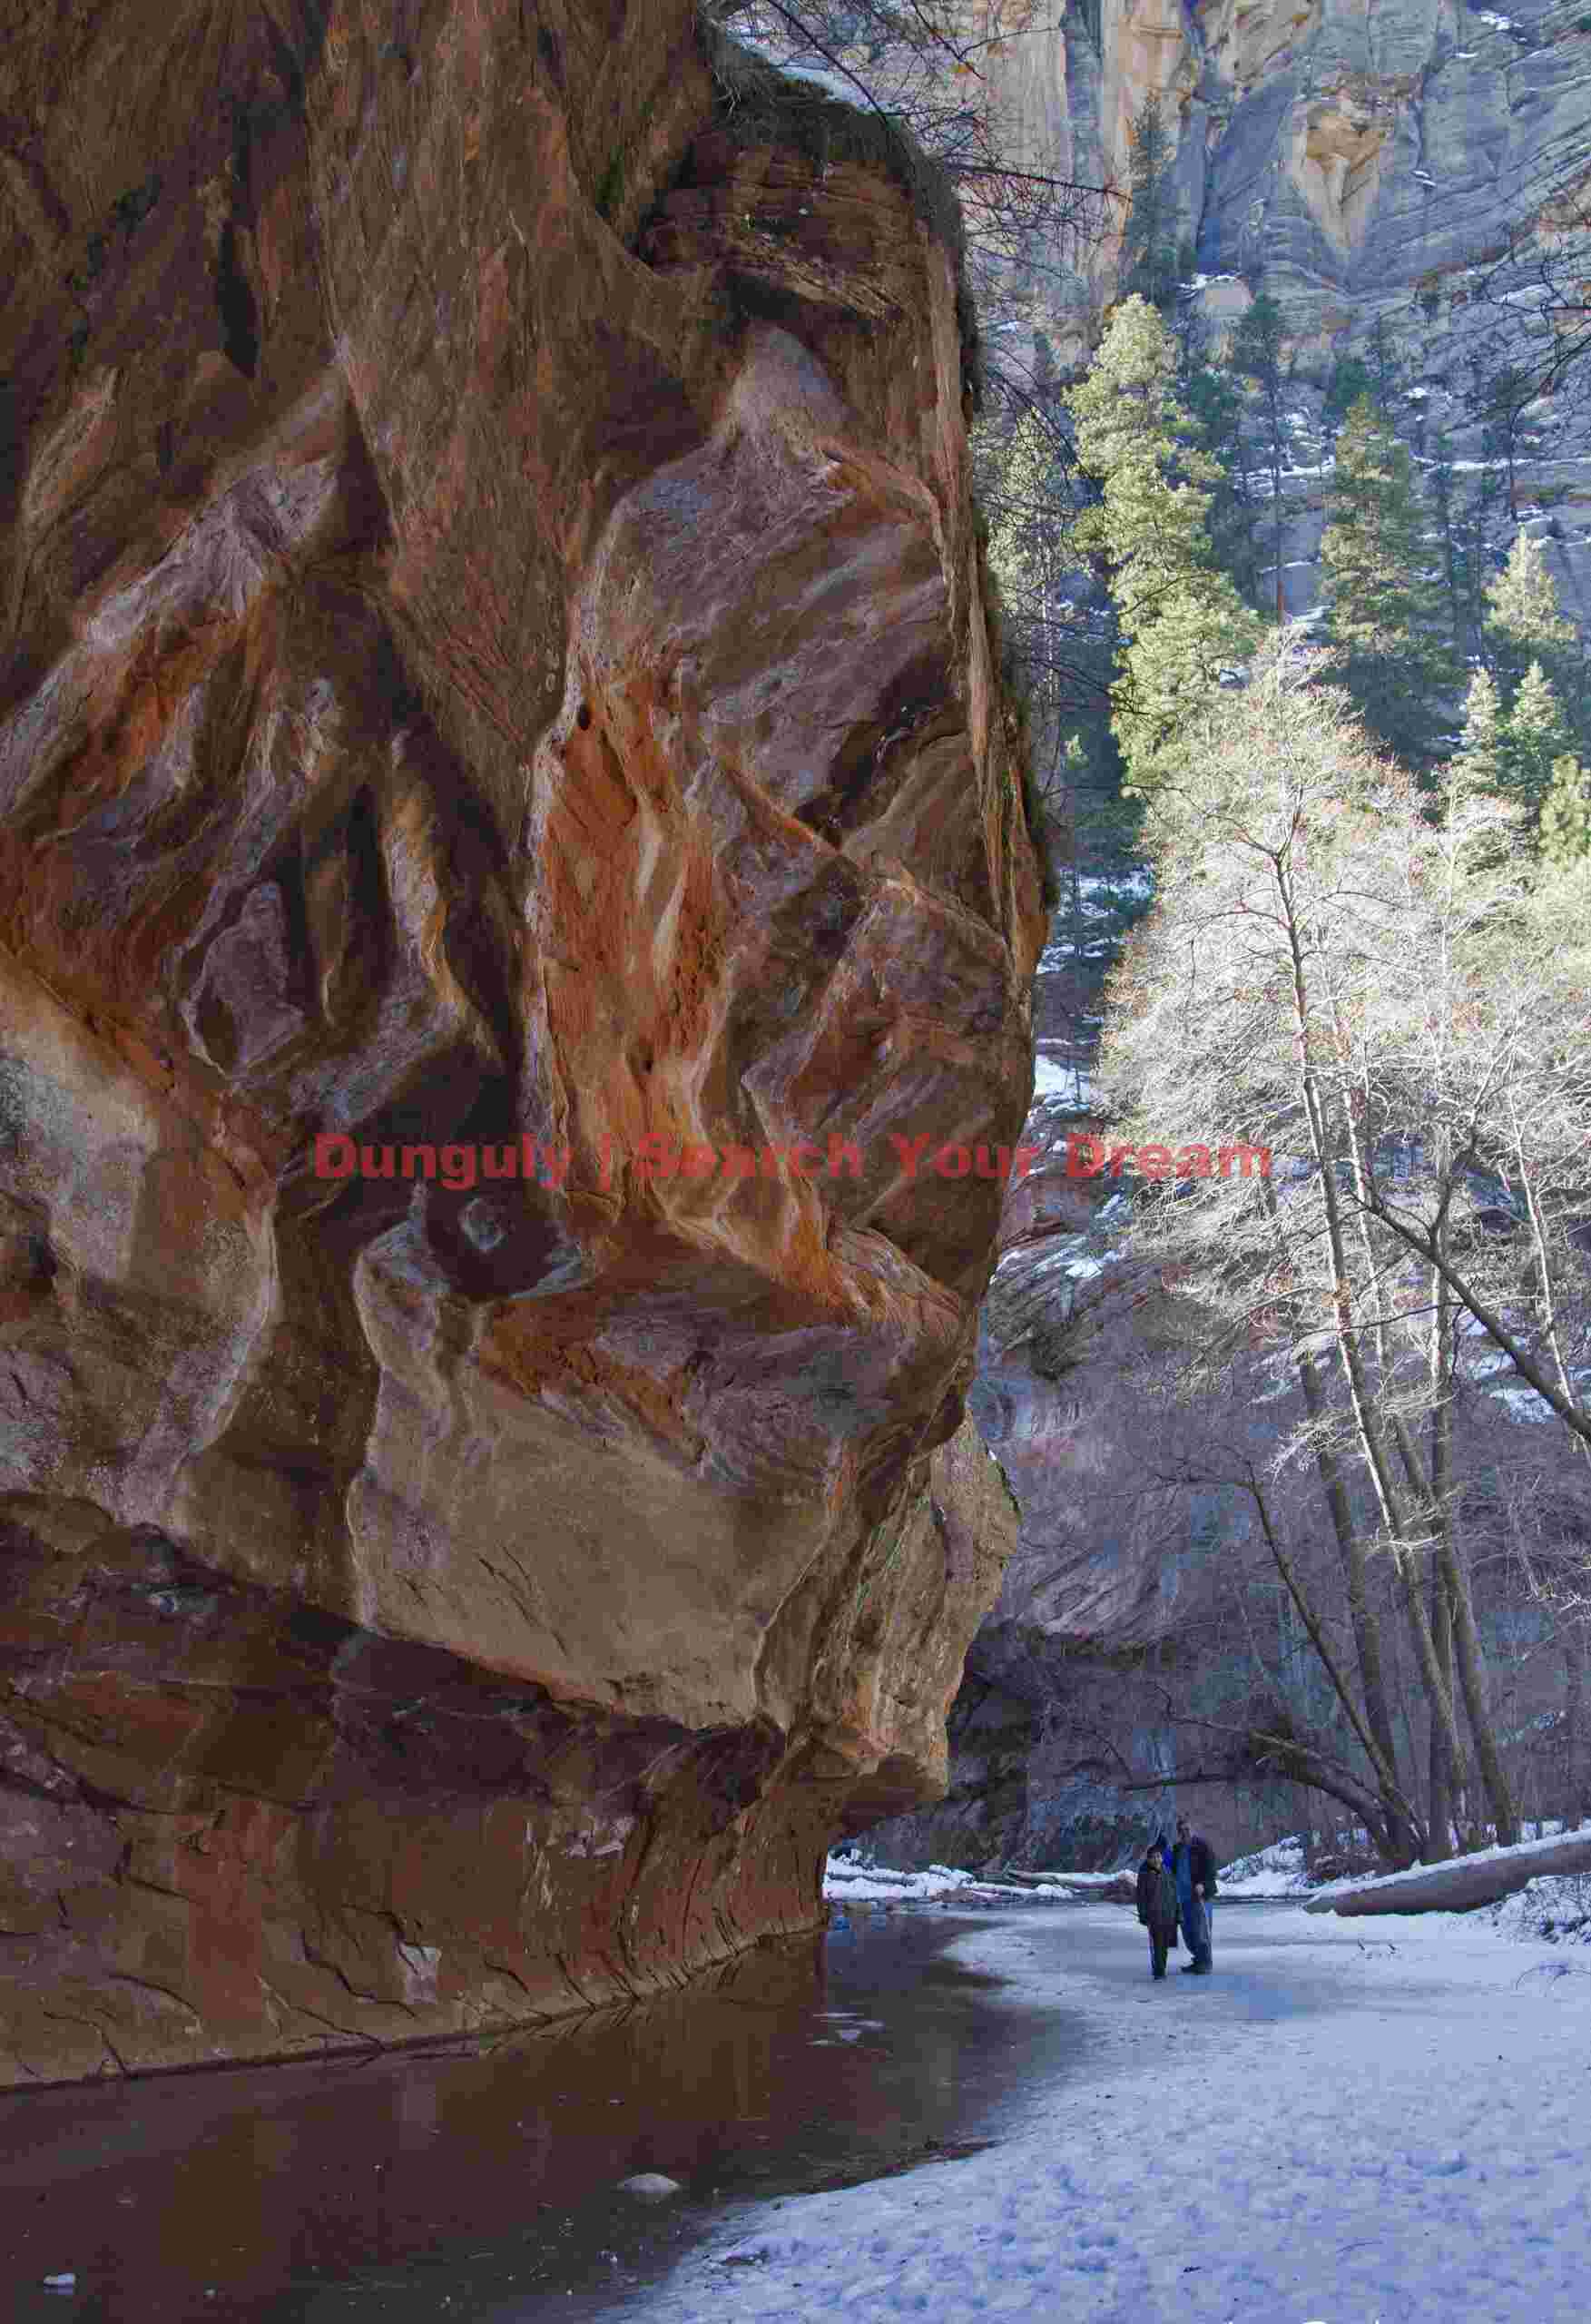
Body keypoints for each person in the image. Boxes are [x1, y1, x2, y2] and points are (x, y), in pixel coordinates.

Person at [1171, 1813, 1218, 1973]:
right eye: (1181, 1830)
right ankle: (1198, 1959)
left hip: (1200, 1896)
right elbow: (1172, 1870)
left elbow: (1211, 1869)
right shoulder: (1177, 1849)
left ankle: (1205, 1963)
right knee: (1188, 1933)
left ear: (1192, 1828)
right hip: (1182, 1897)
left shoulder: (1203, 1845)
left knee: (1201, 1931)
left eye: (1187, 1829)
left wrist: (1203, 1884)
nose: (1185, 1832)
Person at [1134, 1840, 1180, 1979]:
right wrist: (1143, 1915)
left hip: (1169, 1915)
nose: (1156, 1859)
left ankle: (1162, 1969)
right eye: (1153, 1857)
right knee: (1158, 1944)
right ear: (1148, 1859)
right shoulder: (1145, 1875)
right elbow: (1141, 1897)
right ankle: (1159, 1971)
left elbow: (1174, 1895)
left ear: (1162, 1858)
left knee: (1165, 1946)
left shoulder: (1168, 1873)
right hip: (1154, 1917)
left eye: (1158, 1856)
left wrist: (1178, 1914)